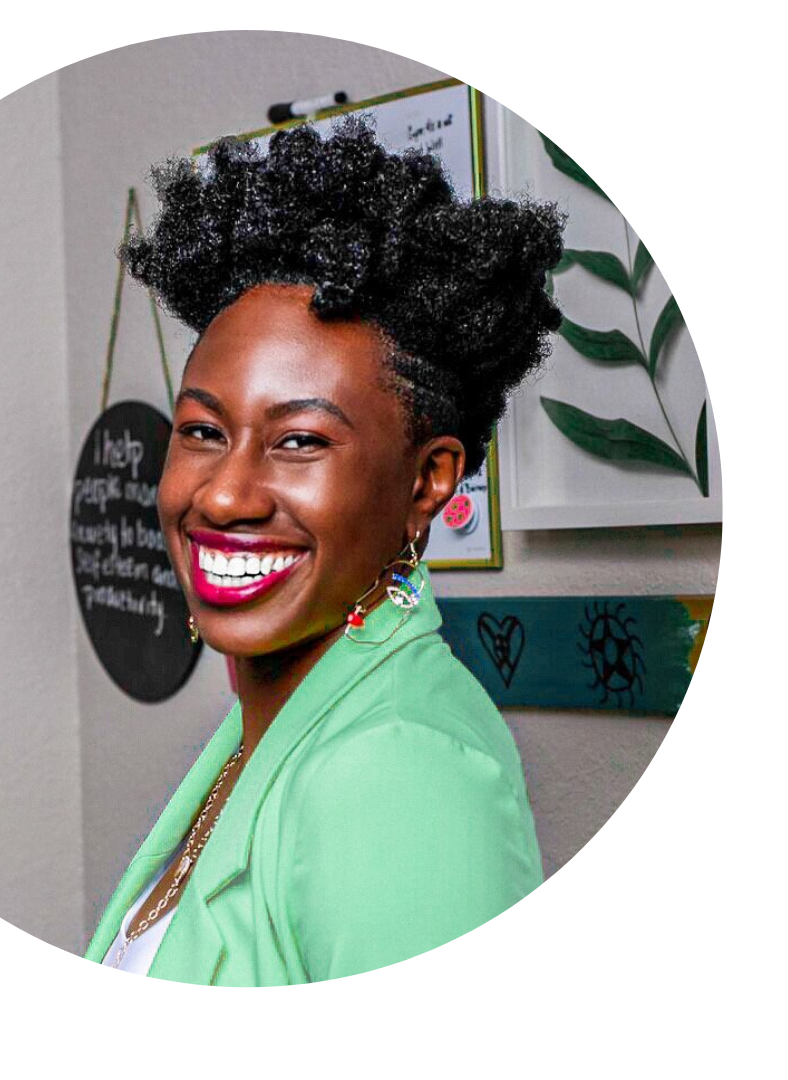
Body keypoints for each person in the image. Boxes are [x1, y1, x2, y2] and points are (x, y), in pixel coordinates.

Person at [83, 113, 566, 985]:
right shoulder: (272, 726)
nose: (223, 494)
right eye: (200, 430)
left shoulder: (398, 774)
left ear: (427, 482)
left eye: (300, 441)